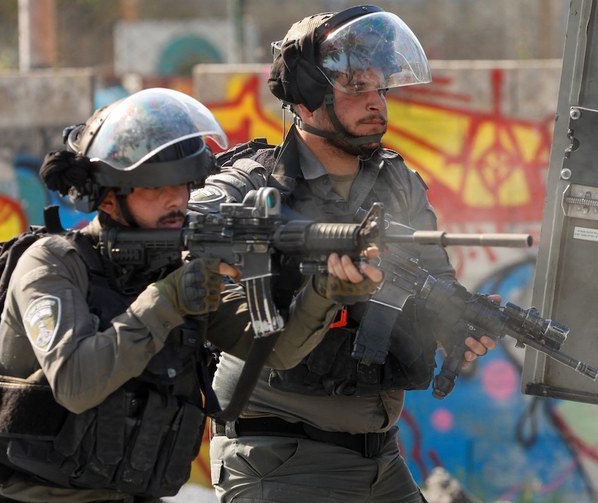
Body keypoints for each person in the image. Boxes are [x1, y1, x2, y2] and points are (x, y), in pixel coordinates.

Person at [0, 88, 384, 503]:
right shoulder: (53, 264)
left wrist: (324, 291)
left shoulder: (178, 265)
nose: (177, 201)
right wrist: (167, 300)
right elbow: (76, 384)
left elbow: (276, 351)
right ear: (109, 198)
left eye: (183, 186)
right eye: (154, 189)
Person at [189, 6, 498, 503]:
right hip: (281, 461)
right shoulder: (253, 186)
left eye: (381, 88)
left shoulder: (399, 184)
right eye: (356, 87)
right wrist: (312, 275)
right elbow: (200, 239)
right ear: (308, 98)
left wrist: (457, 326)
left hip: (383, 462)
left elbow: (434, 285)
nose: (377, 102)